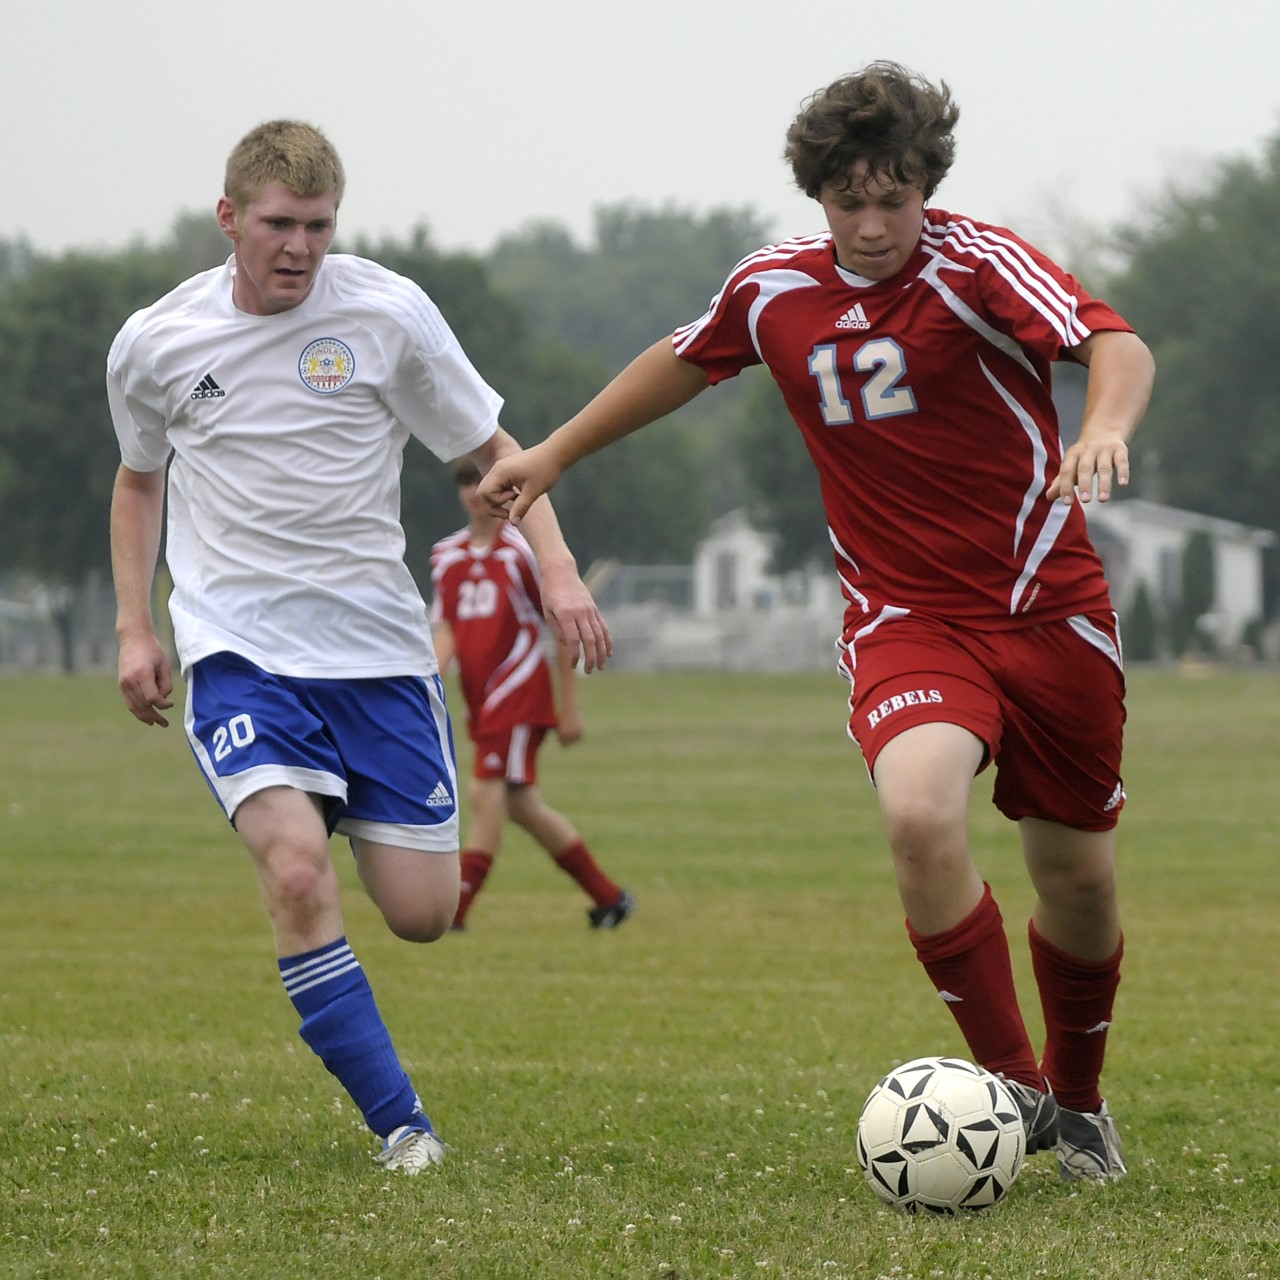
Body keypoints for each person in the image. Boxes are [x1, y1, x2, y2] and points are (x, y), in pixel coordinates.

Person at [477, 63, 1155, 1183]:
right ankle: (1014, 1090)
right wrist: (549, 452)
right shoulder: (771, 289)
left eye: (895, 197)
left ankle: (1078, 1099)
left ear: (925, 187)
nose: (874, 223)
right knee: (917, 816)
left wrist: (1102, 426)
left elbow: (1114, 344)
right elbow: (680, 362)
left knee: (1076, 880)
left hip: (1049, 611)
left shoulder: (979, 263)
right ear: (817, 196)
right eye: (850, 201)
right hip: (906, 619)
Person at [106, 119, 610, 1175]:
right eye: (279, 224)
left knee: (422, 914)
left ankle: (319, 799)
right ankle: (403, 1125)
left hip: (377, 658)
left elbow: (494, 450)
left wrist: (556, 570)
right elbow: (140, 478)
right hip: (239, 648)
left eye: (319, 226)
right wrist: (136, 623)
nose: (298, 247)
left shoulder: (384, 315)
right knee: (294, 870)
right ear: (229, 218)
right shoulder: (156, 342)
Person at [430, 461, 635, 931]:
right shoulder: (446, 556)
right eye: (463, 482)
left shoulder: (521, 550)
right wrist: (427, 683)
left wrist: (570, 705)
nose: (472, 491)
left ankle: (456, 912)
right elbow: (447, 631)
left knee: (485, 794)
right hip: (482, 698)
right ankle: (609, 898)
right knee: (520, 805)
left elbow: (558, 623)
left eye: (478, 479)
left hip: (518, 690)